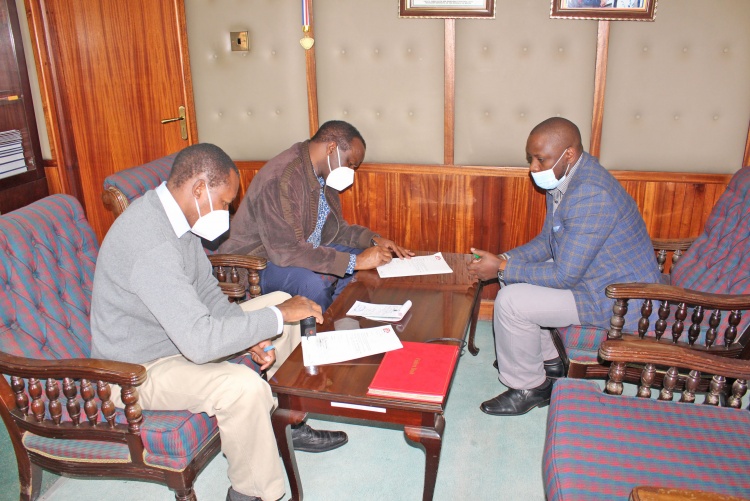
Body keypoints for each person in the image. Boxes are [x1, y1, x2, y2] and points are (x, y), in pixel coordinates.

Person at [91, 143, 348, 501]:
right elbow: (201, 344)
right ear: (199, 189)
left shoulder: (176, 218)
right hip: (137, 372)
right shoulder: (150, 242)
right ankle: (250, 492)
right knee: (242, 386)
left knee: (285, 305)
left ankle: (287, 424)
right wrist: (270, 320)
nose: (227, 212)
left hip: (178, 337)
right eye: (225, 202)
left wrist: (253, 334)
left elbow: (209, 296)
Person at [468, 117, 660, 417]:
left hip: (618, 298)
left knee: (510, 301)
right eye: (531, 159)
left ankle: (529, 387)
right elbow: (547, 242)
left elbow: (563, 275)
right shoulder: (567, 177)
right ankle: (549, 363)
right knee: (513, 274)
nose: (533, 168)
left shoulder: (591, 193)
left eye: (540, 159)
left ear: (568, 153)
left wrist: (502, 268)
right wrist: (503, 259)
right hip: (594, 277)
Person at [217, 120, 414, 311]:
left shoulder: (323, 174)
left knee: (367, 260)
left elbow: (336, 230)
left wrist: (373, 240)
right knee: (313, 286)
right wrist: (356, 261)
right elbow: (286, 252)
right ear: (331, 148)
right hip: (257, 262)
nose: (351, 172)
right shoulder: (281, 179)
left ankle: (341, 320)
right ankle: (325, 329)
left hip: (300, 250)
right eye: (350, 164)